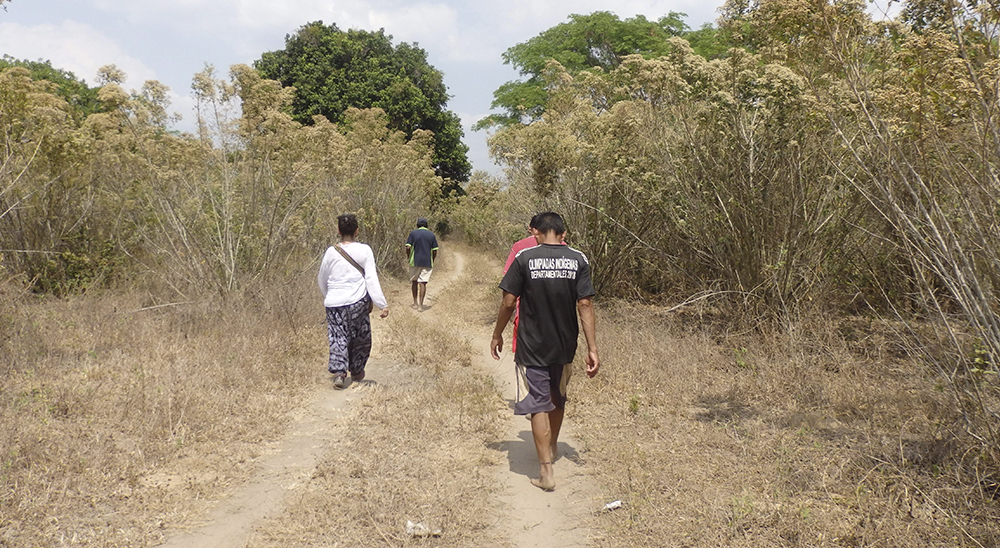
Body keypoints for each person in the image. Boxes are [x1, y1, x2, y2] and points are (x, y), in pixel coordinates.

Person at [490, 212, 600, 491]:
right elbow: (585, 304)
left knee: (539, 401)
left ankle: (546, 472)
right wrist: (592, 349)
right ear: (563, 234)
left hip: (532, 343)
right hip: (565, 344)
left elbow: (508, 301)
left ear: (536, 231)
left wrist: (497, 334)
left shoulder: (524, 258)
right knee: (557, 396)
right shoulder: (578, 259)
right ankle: (550, 447)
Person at [318, 214, 390, 389]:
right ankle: (357, 371)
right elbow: (371, 279)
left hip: (334, 303)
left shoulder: (330, 251)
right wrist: (381, 303)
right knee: (360, 338)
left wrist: (329, 296)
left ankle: (339, 374)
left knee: (337, 337)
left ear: (338, 231)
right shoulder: (365, 250)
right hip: (358, 302)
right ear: (357, 231)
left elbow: (322, 278)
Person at [405, 218, 439, 309]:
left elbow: (408, 247)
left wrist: (409, 257)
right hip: (427, 262)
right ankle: (421, 305)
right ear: (427, 225)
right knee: (423, 283)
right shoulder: (431, 235)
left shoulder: (413, 234)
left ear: (417, 225)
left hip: (414, 261)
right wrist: (433, 259)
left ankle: (415, 303)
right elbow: (435, 250)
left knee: (414, 282)